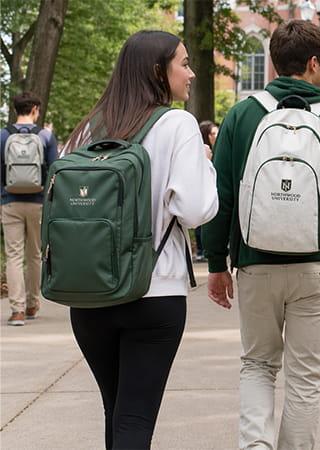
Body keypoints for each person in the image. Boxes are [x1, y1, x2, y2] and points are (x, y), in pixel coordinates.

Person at [203, 20, 320, 450]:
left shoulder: (242, 115)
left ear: (276, 62)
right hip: (315, 263)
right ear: (314, 63)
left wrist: (216, 263)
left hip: (254, 261)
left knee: (258, 365)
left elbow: (220, 194)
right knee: (304, 376)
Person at [61, 30, 218, 449]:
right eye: (183, 63)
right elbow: (196, 209)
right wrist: (207, 165)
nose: (192, 72)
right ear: (157, 72)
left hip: (89, 294)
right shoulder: (177, 124)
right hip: (154, 293)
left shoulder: (87, 129)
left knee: (117, 413)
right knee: (134, 419)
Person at [1, 92, 58, 326]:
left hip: (9, 202)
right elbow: (55, 169)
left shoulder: (3, 135)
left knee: (14, 255)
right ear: (35, 109)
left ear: (16, 109)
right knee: (35, 254)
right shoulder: (45, 135)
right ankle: (33, 303)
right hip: (37, 203)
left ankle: (17, 311)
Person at [194, 120, 218, 262]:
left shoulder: (218, 149)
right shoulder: (201, 152)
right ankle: (201, 249)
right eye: (213, 133)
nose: (216, 136)